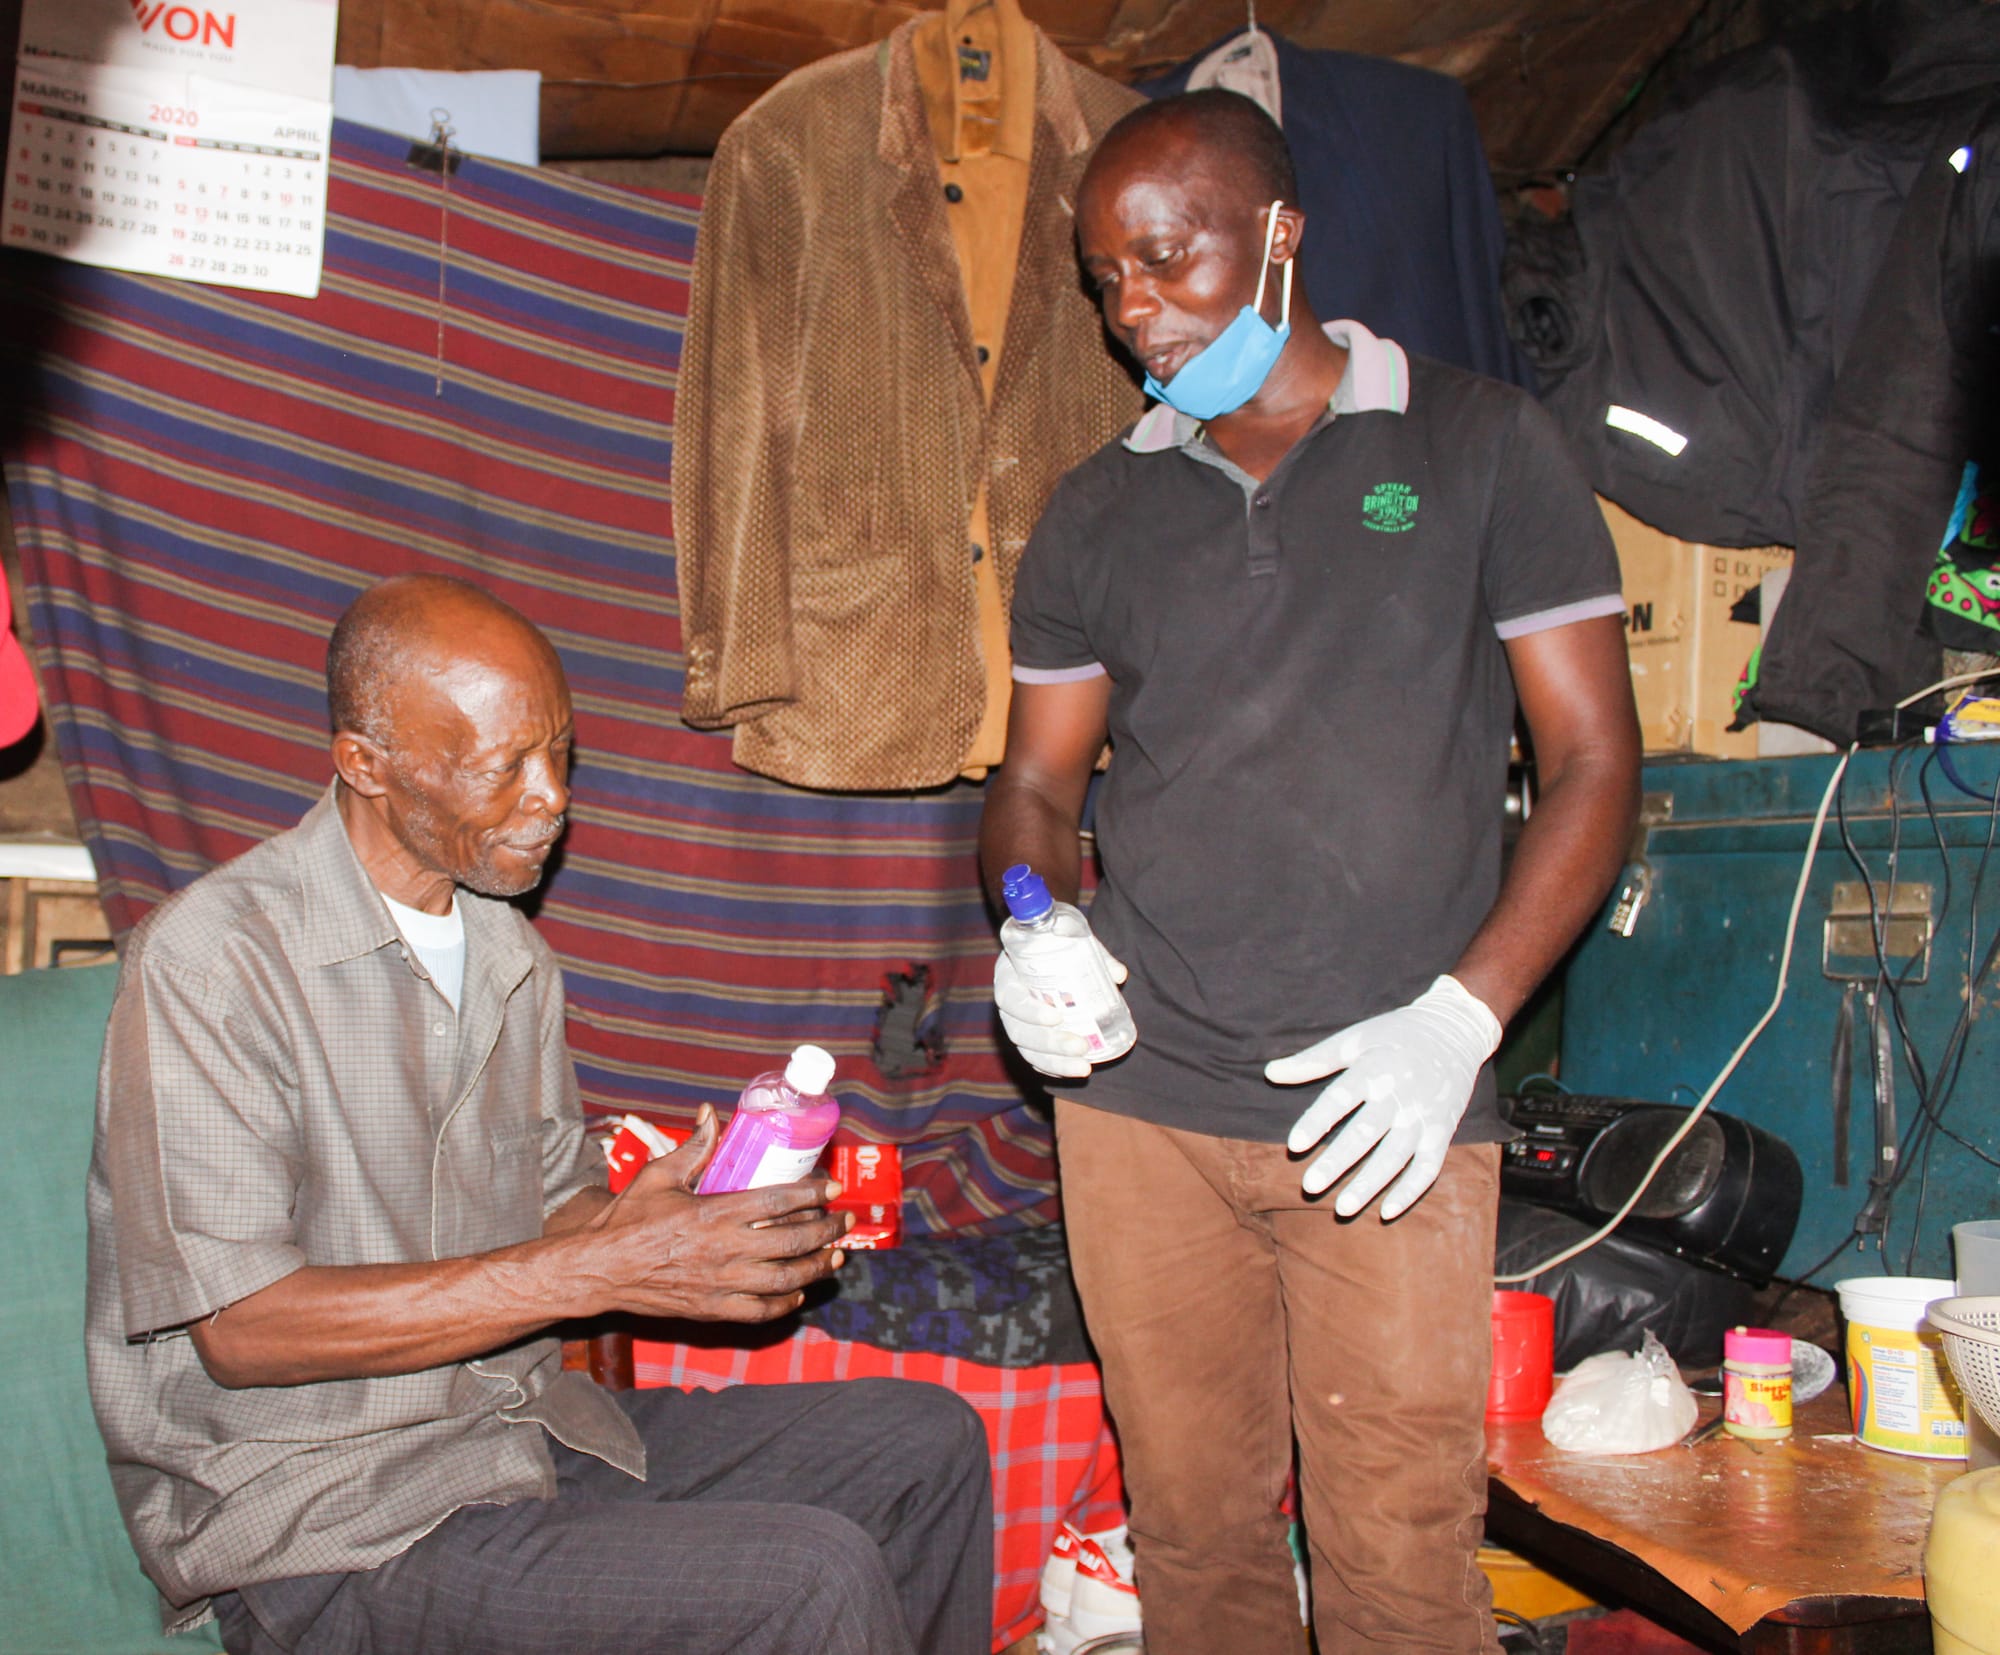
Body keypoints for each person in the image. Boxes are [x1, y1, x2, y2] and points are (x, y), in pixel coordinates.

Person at [980, 92, 1640, 1653]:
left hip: (1385, 1107)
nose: (1134, 308)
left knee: (1400, 1556)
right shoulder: (1098, 508)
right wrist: (1031, 920)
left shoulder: (1482, 447)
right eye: (1104, 278)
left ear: (1281, 235)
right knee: (1195, 1545)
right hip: (1144, 1107)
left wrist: (1460, 1021)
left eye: (1164, 258)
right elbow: (1031, 780)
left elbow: (1597, 767)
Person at [86, 573, 994, 1655]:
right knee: (806, 1574)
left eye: (560, 749)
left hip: (507, 1438)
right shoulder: (217, 959)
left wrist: (650, 1222)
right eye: (500, 764)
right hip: (325, 1520)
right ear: (365, 764)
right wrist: (597, 1269)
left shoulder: (511, 952)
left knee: (922, 1441)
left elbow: (552, 1205)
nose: (549, 794)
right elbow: (242, 1329)